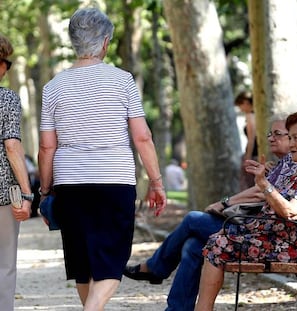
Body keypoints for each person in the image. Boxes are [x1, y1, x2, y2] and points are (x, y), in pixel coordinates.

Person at [37, 8, 167, 311]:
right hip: (114, 181)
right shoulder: (122, 81)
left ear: (74, 42)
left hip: (69, 184)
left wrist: (45, 192)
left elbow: (46, 148)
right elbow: (142, 137)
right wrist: (156, 181)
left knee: (82, 263)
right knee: (111, 261)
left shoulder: (53, 87)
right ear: (105, 43)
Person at [123, 114, 297, 311]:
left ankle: (155, 268)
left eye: (278, 134)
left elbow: (261, 193)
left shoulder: (295, 166)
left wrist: (225, 203)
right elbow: (259, 192)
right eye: (269, 134)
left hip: (261, 233)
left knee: (192, 219)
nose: (270, 138)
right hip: (254, 226)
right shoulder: (282, 166)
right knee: (193, 245)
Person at [194, 110, 297, 311]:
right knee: (209, 240)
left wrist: (264, 184)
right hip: (279, 237)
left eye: (295, 138)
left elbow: (291, 212)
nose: (290, 144)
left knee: (217, 243)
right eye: (289, 138)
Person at [0, 34, 33, 311]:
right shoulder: (7, 98)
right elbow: (12, 146)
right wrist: (26, 192)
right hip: (2, 195)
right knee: (4, 265)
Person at [235, 91, 258, 190]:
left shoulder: (250, 116)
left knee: (248, 185)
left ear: (245, 102)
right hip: (257, 153)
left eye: (240, 105)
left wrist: (247, 158)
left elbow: (251, 139)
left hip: (253, 154)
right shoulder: (258, 115)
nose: (240, 109)